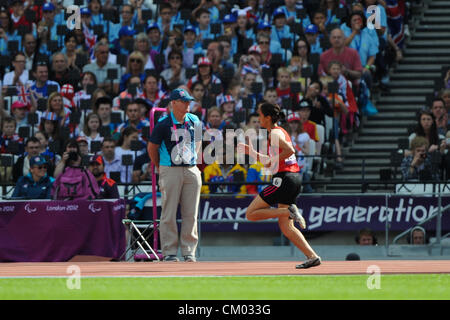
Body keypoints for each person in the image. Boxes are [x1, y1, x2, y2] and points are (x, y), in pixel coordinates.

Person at [238, 102, 321, 269]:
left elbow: (290, 150)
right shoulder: (278, 132)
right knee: (286, 227)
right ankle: (312, 257)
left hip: (284, 179)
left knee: (251, 214)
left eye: (260, 115)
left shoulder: (274, 133)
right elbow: (270, 163)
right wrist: (252, 152)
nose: (258, 118)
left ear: (268, 117)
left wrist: (273, 160)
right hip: (293, 178)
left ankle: (288, 210)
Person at [148, 88, 202, 262]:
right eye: (184, 101)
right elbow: (152, 148)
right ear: (173, 103)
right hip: (169, 168)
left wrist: (194, 160)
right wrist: (160, 167)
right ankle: (169, 251)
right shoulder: (163, 124)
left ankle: (189, 252)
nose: (188, 104)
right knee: (169, 212)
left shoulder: (195, 120)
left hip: (191, 168)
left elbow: (199, 141)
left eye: (188, 101)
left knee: (191, 213)